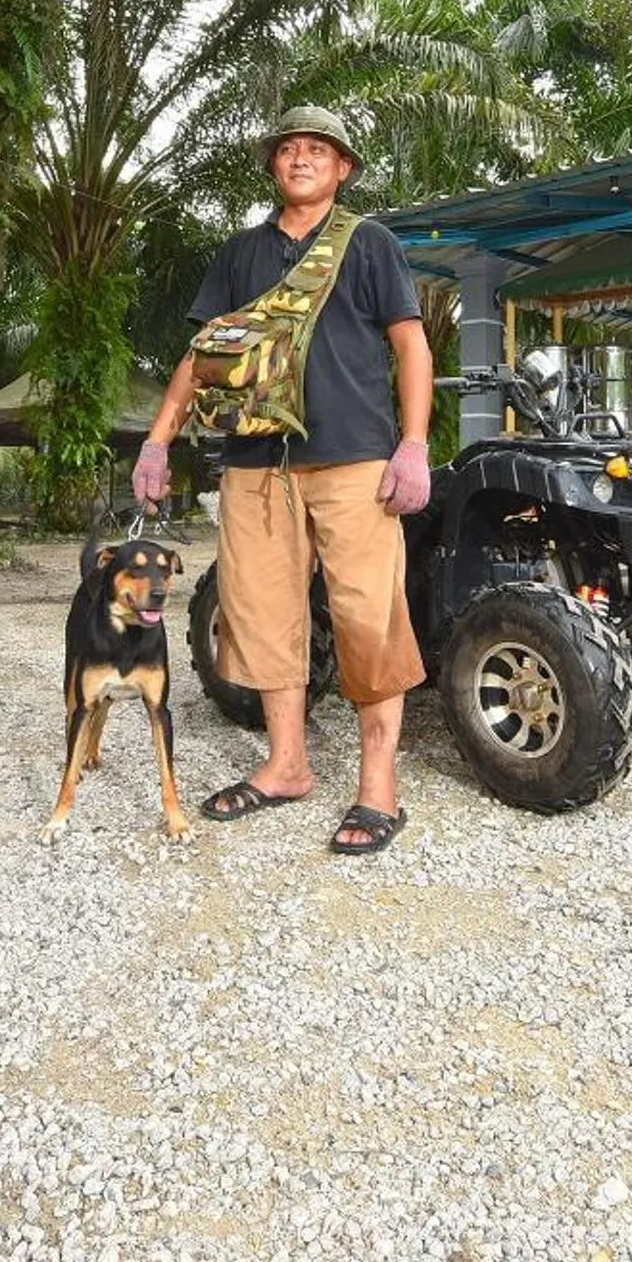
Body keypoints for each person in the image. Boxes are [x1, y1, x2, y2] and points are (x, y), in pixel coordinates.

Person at [132, 105, 433, 855]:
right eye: (289, 150)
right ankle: (287, 765)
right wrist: (157, 443)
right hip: (256, 465)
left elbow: (411, 345)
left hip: (355, 462)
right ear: (273, 167)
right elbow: (202, 357)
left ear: (343, 168)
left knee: (368, 618)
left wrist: (414, 446)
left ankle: (377, 789)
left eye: (317, 150)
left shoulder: (369, 244)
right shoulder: (240, 254)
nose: (300, 159)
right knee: (261, 615)